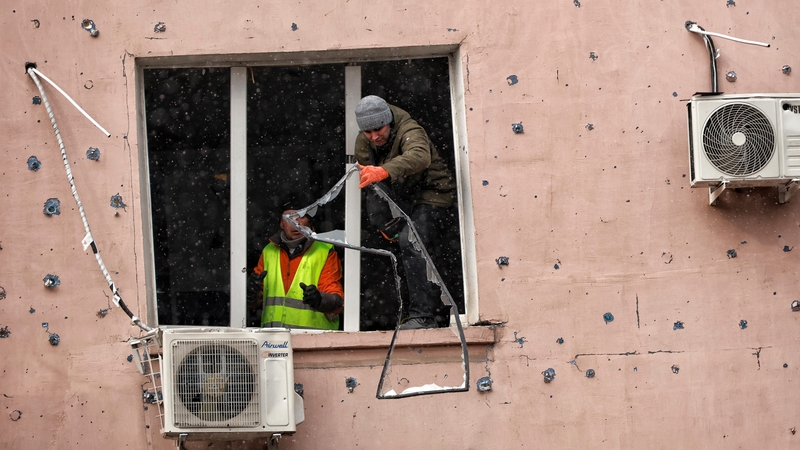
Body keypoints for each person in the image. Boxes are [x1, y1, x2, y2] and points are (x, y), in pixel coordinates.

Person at [353, 95, 457, 330]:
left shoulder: (410, 129)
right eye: (368, 132)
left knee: (413, 243)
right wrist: (381, 221)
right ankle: (408, 314)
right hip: (404, 200)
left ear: (388, 120)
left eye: (378, 129)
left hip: (434, 194)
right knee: (397, 249)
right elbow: (371, 184)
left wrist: (384, 170)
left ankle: (424, 316)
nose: (374, 136)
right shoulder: (364, 141)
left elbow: (419, 156)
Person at [248, 206, 344, 330]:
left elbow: (337, 304)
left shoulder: (324, 251)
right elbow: (254, 303)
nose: (296, 222)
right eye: (290, 218)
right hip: (272, 343)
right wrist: (251, 292)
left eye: (301, 216)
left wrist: (320, 300)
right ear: (282, 223)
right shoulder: (268, 251)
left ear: (309, 221)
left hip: (312, 342)